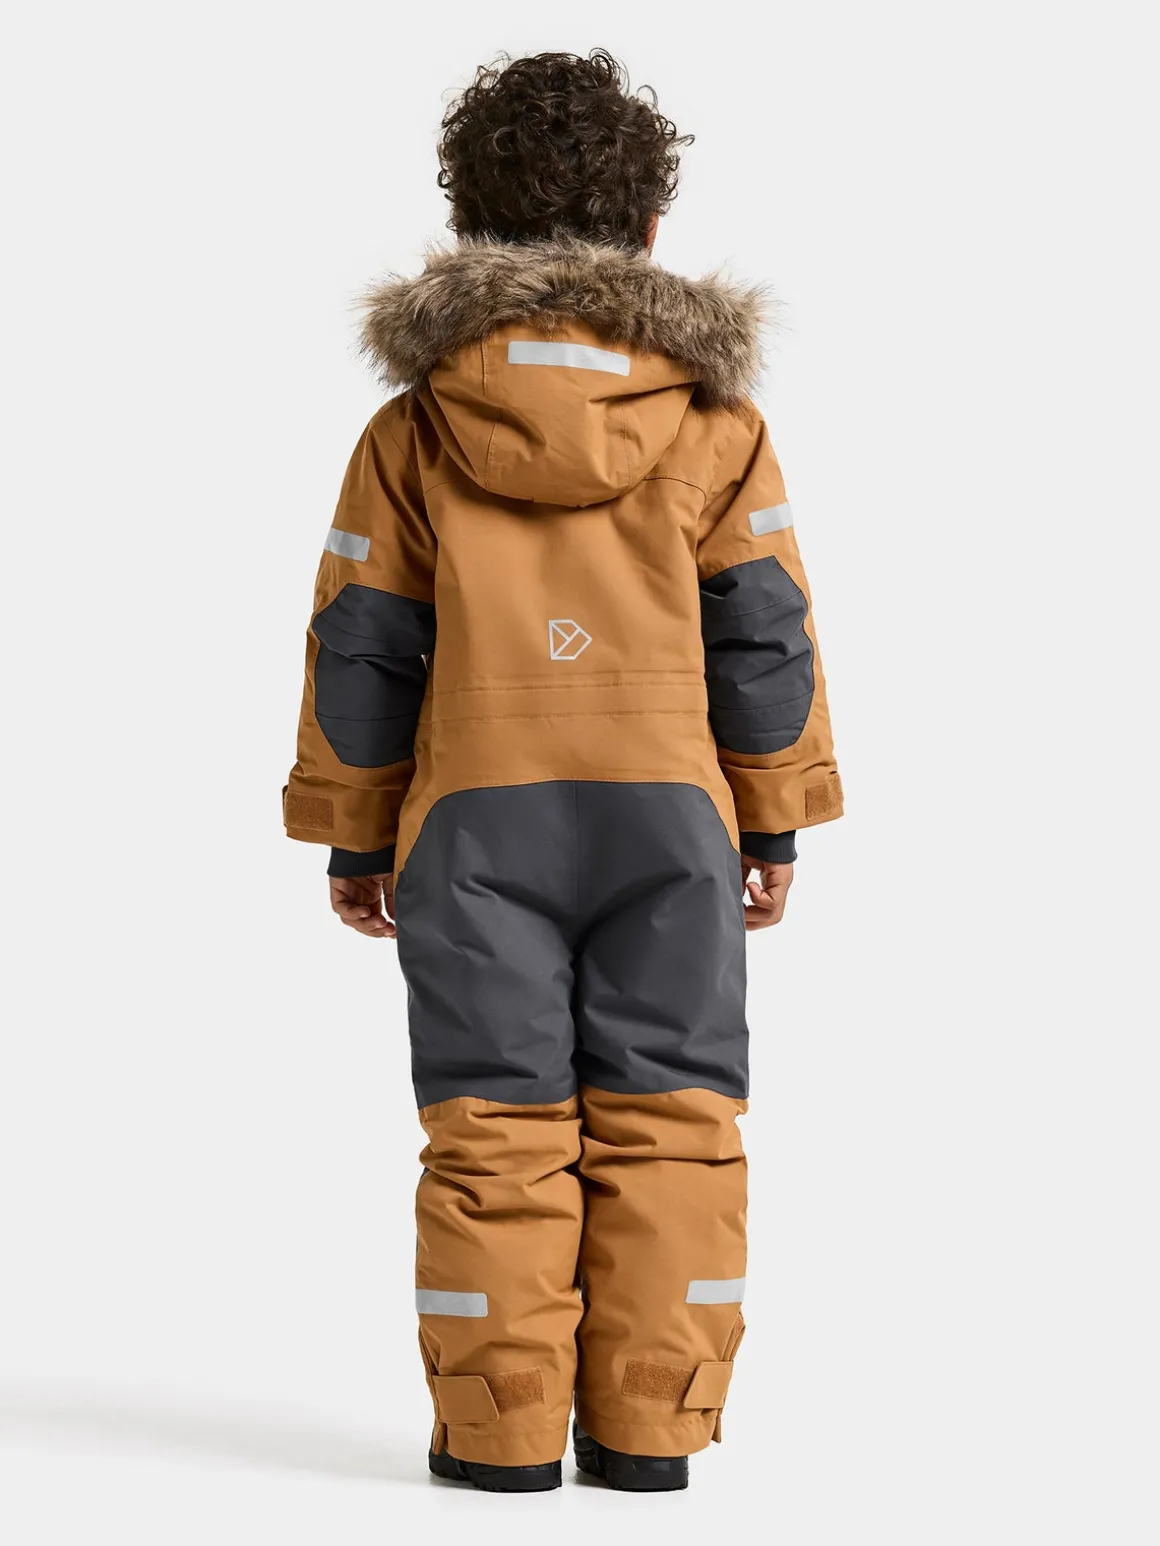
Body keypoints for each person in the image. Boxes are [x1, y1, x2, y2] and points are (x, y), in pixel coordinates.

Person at [284, 49, 843, 1494]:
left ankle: (500, 1435)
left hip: (474, 823)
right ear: (651, 228)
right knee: (677, 1122)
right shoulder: (718, 422)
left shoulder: (413, 429)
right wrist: (775, 820)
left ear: (471, 227)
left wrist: (355, 834)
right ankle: (652, 1432)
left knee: (491, 1127)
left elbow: (364, 642)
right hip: (672, 823)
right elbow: (765, 634)